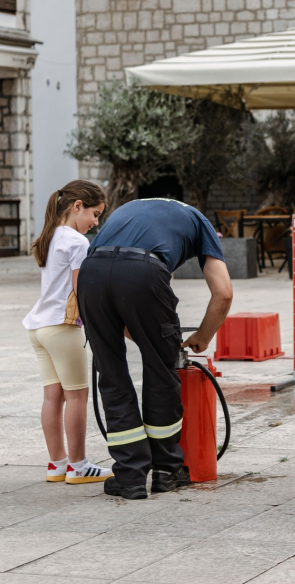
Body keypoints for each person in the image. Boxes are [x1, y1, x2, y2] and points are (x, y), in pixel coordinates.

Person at [78, 198, 233, 500]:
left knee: (112, 375)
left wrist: (143, 332)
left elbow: (118, 285)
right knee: (161, 373)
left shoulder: (134, 210)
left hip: (91, 272)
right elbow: (224, 293)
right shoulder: (203, 225)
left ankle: (130, 476)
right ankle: (167, 470)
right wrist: (203, 334)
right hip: (143, 271)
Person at [22, 180, 113, 485]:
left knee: (53, 397)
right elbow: (81, 290)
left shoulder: (51, 236)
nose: (95, 222)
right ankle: (79, 465)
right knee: (77, 396)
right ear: (77, 207)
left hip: (39, 328)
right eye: (95, 214)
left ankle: (57, 464)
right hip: (63, 328)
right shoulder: (77, 242)